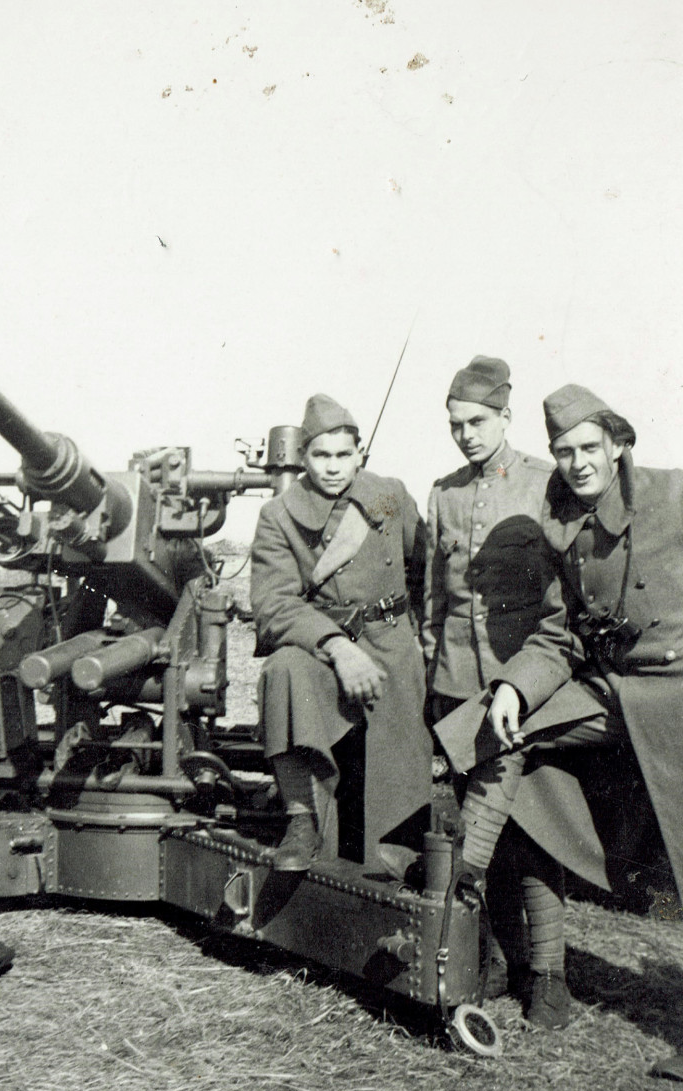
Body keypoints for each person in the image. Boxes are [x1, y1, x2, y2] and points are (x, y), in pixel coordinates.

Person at [437, 382, 683, 1030]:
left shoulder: (674, 496)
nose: (577, 462)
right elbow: (559, 632)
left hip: (677, 696)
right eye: (563, 450)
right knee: (497, 726)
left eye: (588, 447)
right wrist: (515, 687)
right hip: (615, 691)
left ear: (619, 445)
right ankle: (462, 879)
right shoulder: (566, 528)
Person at [422, 355, 557, 1005]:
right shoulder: (443, 492)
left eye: (477, 421)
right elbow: (435, 602)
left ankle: (546, 973)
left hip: (521, 687)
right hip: (456, 682)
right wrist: (432, 679)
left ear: (506, 415)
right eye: (455, 424)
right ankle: (498, 962)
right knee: (484, 836)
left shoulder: (544, 484)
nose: (466, 434)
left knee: (525, 829)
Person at [251, 392, 432, 872]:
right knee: (282, 670)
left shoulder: (389, 495)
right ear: (303, 457)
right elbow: (273, 604)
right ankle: (301, 819)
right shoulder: (279, 515)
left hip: (392, 641)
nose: (332, 467)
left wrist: (420, 631)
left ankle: (399, 851)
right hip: (323, 646)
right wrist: (336, 646)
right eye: (321, 455)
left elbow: (426, 565)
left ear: (360, 455)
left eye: (343, 455)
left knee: (399, 807)